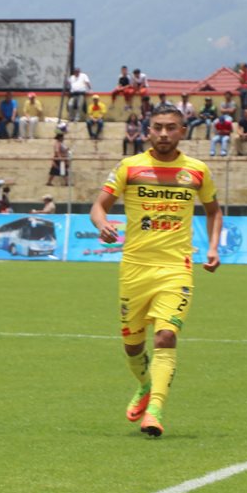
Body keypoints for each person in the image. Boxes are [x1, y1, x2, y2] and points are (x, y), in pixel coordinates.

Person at [89, 102, 222, 437]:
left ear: (183, 131)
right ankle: (146, 384)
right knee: (133, 347)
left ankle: (156, 410)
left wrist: (212, 247)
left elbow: (213, 210)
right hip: (134, 268)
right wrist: (102, 224)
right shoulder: (130, 167)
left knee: (166, 336)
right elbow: (98, 206)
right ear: (148, 130)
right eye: (158, 127)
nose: (164, 133)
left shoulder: (196, 170)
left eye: (171, 127)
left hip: (177, 267)